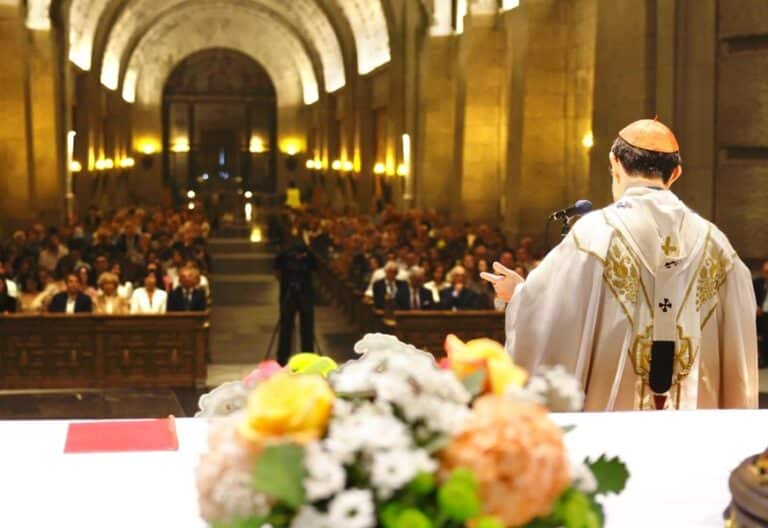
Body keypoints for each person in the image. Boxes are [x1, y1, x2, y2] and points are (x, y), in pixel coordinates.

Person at [483, 118, 757, 410]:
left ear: (614, 162)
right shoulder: (717, 245)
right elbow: (740, 349)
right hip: (693, 423)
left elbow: (550, 320)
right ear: (676, 173)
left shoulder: (594, 233)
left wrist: (519, 294)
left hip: (612, 421)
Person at [273, 237, 317, 364]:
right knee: (297, 328)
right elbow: (315, 272)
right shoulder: (303, 255)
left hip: (298, 293)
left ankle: (285, 358)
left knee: (292, 328)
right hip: (295, 293)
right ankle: (302, 357)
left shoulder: (303, 255)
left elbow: (276, 272)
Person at [753, 260, 768, 368]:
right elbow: (750, 297)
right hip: (761, 315)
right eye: (766, 272)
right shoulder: (757, 283)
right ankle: (761, 358)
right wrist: (755, 307)